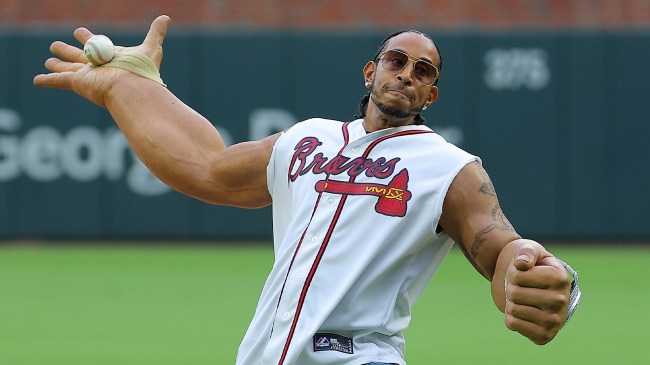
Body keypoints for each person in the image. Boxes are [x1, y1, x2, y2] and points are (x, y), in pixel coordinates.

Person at [34, 15, 580, 365]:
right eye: (396, 60)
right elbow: (205, 165)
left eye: (423, 70)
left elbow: (496, 240)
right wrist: (127, 88)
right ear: (371, 72)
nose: (407, 73)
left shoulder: (448, 167)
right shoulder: (308, 140)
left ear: (431, 94)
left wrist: (531, 271)